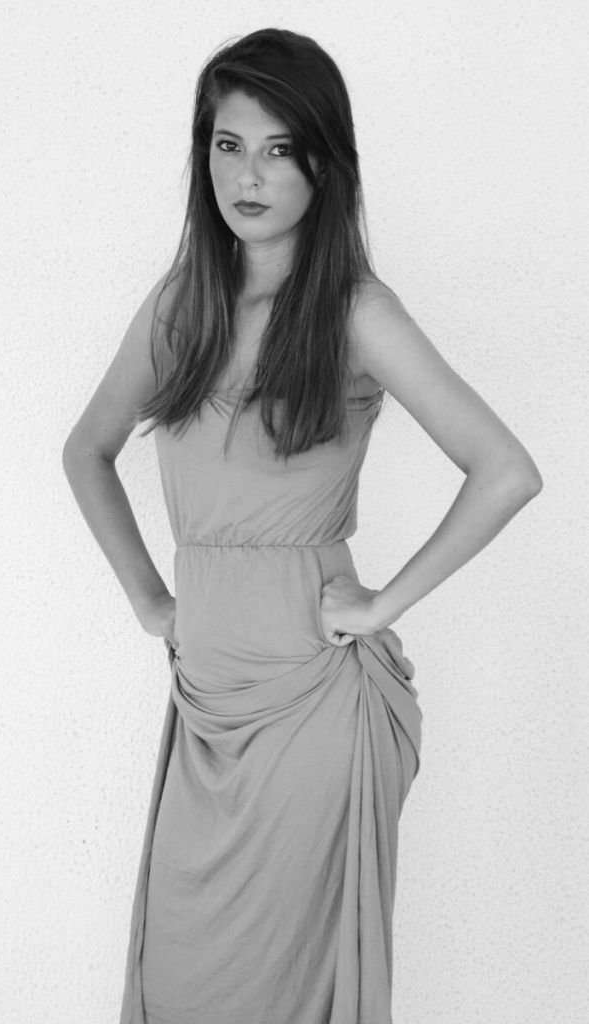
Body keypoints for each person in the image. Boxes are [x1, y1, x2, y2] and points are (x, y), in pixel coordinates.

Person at [62, 27, 542, 1024]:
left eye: (280, 149)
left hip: (311, 705)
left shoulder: (356, 312)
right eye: (228, 144)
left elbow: (505, 471)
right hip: (206, 700)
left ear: (325, 164)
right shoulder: (181, 306)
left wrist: (380, 605)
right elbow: (86, 450)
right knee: (183, 980)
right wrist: (152, 600)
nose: (249, 174)